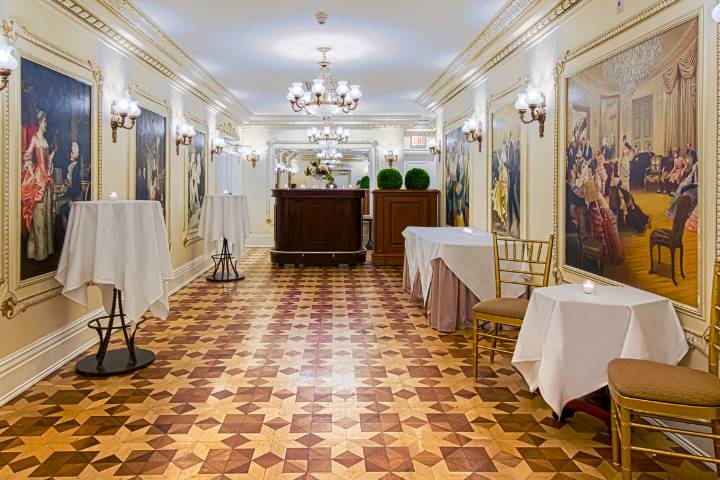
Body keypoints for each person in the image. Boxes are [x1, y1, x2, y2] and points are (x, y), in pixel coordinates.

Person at [21, 110, 56, 262]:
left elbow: (47, 160)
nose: (46, 124)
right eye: (45, 122)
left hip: (46, 179)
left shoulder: (45, 140)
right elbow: (26, 157)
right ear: (40, 123)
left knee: (46, 214)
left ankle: (46, 250)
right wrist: (33, 174)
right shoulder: (35, 139)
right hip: (39, 180)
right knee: (39, 216)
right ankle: (38, 252)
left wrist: (53, 153)